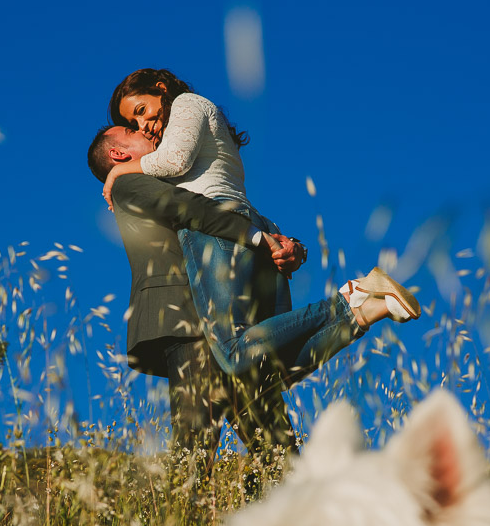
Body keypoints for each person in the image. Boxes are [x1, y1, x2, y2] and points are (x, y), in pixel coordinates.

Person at [99, 68, 420, 379]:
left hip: (216, 232)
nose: (143, 124)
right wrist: (277, 238)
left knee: (232, 351)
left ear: (161, 88)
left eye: (141, 110)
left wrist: (120, 170)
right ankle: (367, 312)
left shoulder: (187, 104)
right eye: (134, 123)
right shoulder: (199, 129)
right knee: (270, 368)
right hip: (247, 227)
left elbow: (174, 161)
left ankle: (350, 299)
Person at [86, 125, 305, 458]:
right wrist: (258, 238)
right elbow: (190, 208)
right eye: (133, 129)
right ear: (118, 153)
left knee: (277, 450)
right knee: (195, 449)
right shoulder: (129, 183)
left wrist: (291, 247)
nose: (147, 130)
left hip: (224, 324)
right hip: (188, 321)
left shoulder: (170, 179)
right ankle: (351, 306)